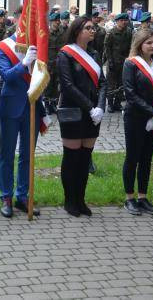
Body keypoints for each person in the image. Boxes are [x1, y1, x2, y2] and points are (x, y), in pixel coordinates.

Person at [56, 16, 107, 217]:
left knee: (85, 158)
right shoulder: (65, 55)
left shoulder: (94, 54)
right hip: (73, 112)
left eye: (93, 28)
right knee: (72, 158)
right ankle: (70, 200)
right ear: (77, 31)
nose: (92, 31)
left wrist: (100, 107)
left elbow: (103, 83)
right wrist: (89, 107)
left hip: (93, 113)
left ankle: (81, 199)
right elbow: (68, 86)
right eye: (88, 28)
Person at [0, 34, 47, 217]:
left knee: (28, 155)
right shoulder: (3, 48)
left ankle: (22, 196)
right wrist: (24, 63)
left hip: (32, 105)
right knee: (7, 154)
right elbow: (7, 76)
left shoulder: (38, 42)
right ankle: (6, 197)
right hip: (11, 106)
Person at [121, 29, 153, 216]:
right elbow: (130, 93)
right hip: (135, 118)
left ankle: (143, 197)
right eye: (148, 42)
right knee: (132, 157)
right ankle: (129, 198)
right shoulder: (130, 64)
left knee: (146, 158)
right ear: (140, 44)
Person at [103, 13, 133, 112]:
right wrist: (110, 61)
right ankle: (110, 104)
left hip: (124, 62)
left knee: (122, 83)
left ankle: (118, 103)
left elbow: (130, 47)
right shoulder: (111, 33)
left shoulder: (129, 32)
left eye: (125, 20)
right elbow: (107, 48)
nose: (124, 22)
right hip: (113, 61)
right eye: (122, 21)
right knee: (111, 84)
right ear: (117, 21)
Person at [44, 12, 62, 112]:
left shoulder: (61, 33)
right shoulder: (46, 33)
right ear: (51, 22)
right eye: (55, 21)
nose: (57, 23)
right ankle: (47, 105)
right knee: (48, 85)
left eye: (58, 21)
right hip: (48, 63)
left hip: (58, 62)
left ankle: (54, 103)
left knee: (56, 84)